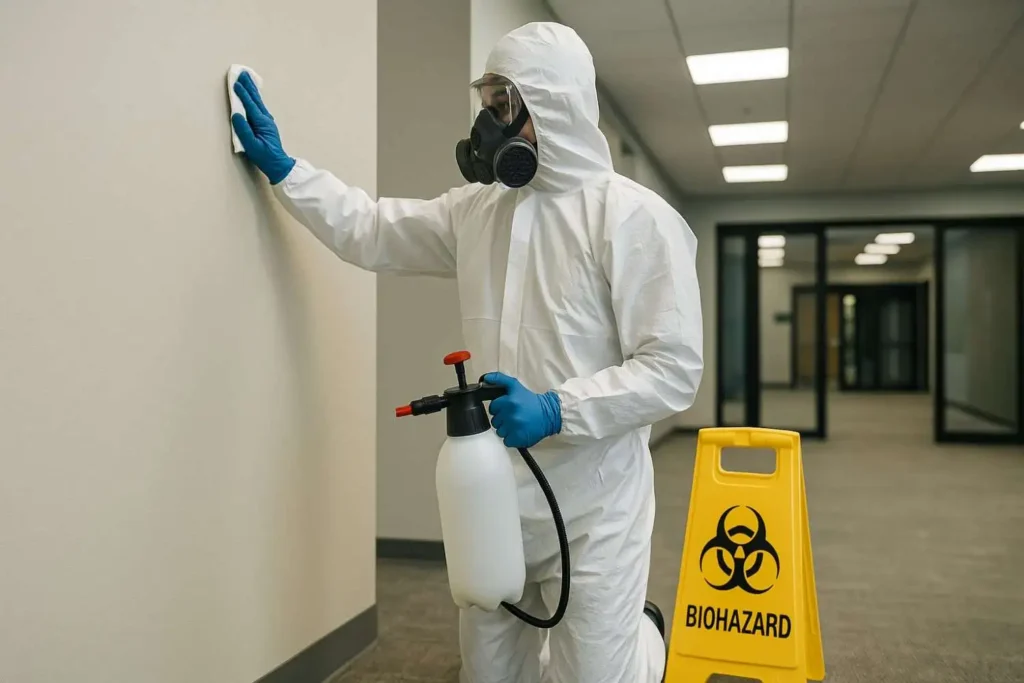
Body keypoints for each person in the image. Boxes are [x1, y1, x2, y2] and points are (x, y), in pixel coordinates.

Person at [232, 21, 703, 683]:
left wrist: (557, 407)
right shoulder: (481, 211)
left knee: (597, 674)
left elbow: (673, 369)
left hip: (597, 501)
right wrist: (289, 172)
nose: (490, 123)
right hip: (497, 491)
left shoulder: (634, 219)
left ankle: (643, 639)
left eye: (506, 105)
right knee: (487, 671)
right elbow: (373, 229)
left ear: (556, 108)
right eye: (487, 103)